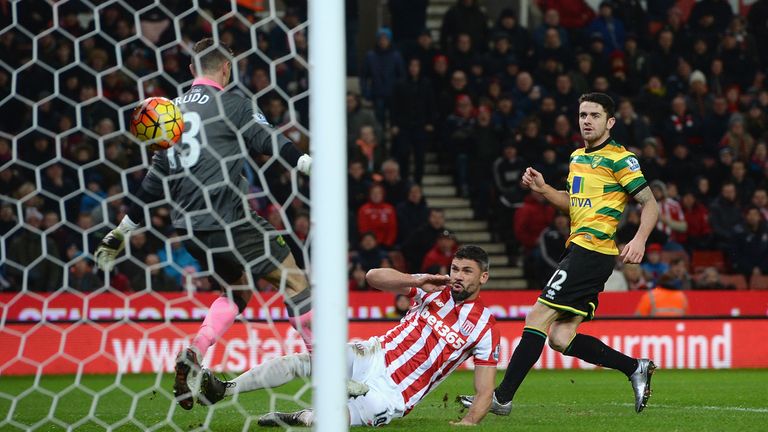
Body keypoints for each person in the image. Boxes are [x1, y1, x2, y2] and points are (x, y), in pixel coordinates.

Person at [92, 38, 314, 411]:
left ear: (192, 70)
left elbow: (154, 178)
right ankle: (327, 368)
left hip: (189, 228)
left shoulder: (169, 111)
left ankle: (195, 351)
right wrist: (306, 163)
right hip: (229, 217)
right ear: (226, 68)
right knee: (294, 279)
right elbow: (268, 140)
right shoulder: (233, 102)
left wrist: (120, 231)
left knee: (239, 290)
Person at [460, 92, 660, 416]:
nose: (587, 121)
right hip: (582, 250)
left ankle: (502, 397)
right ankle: (635, 367)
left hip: (592, 251)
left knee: (537, 316)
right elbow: (572, 203)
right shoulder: (577, 157)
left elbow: (650, 203)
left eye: (595, 115)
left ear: (610, 121)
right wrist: (543, 190)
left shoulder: (620, 158)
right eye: (583, 115)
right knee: (561, 337)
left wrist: (639, 239)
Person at [198, 245, 501, 427]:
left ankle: (296, 417)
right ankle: (224, 389)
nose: (458, 276)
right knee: (302, 361)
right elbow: (372, 278)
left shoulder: (485, 326)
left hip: (394, 395)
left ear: (483, 277)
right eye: (456, 268)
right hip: (370, 355)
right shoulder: (432, 288)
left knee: (333, 421)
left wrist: (468, 423)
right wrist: (415, 279)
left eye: (467, 271)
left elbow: (485, 389)